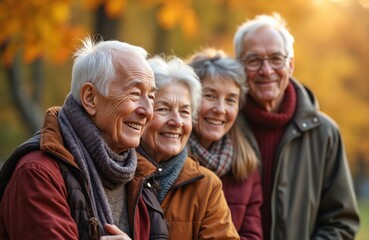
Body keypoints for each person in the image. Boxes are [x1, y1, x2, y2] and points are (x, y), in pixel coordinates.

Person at [0, 38, 169, 239]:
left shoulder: (141, 175)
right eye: (134, 94)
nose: (148, 111)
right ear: (90, 97)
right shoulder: (38, 173)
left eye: (151, 96)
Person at [233, 13, 360, 240]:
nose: (266, 70)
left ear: (290, 65)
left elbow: (341, 221)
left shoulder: (324, 133)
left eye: (276, 59)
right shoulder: (223, 129)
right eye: (254, 60)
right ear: (239, 68)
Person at [136, 55, 240, 239]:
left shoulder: (207, 187)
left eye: (184, 112)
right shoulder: (115, 173)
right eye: (163, 109)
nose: (177, 122)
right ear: (140, 113)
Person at [187, 48, 263, 239]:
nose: (220, 109)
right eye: (210, 96)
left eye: (230, 100)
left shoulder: (246, 166)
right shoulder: (166, 156)